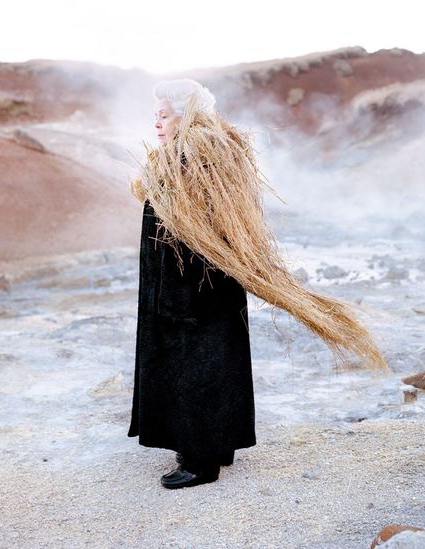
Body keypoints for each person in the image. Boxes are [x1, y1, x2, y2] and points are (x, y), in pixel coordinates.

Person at [127, 78, 388, 490]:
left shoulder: (201, 156)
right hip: (184, 283)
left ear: (188, 113)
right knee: (198, 362)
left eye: (164, 115)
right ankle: (209, 446)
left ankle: (201, 461)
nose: (156, 123)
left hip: (196, 285)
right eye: (155, 115)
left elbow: (205, 227)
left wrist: (183, 289)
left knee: (199, 364)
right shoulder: (183, 154)